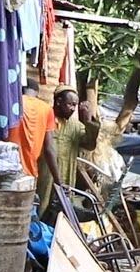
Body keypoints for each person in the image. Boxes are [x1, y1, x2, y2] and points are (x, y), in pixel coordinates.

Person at [36, 84, 101, 218]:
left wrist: (88, 120)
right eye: (70, 104)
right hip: (44, 176)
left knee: (62, 212)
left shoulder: (75, 126)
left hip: (66, 179)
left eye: (75, 105)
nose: (73, 109)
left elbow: (89, 144)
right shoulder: (43, 120)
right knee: (41, 206)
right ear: (59, 102)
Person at [6, 82, 63, 209]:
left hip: (5, 169)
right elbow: (49, 148)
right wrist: (58, 181)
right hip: (29, 174)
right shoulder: (46, 109)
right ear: (37, 93)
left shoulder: (11, 102)